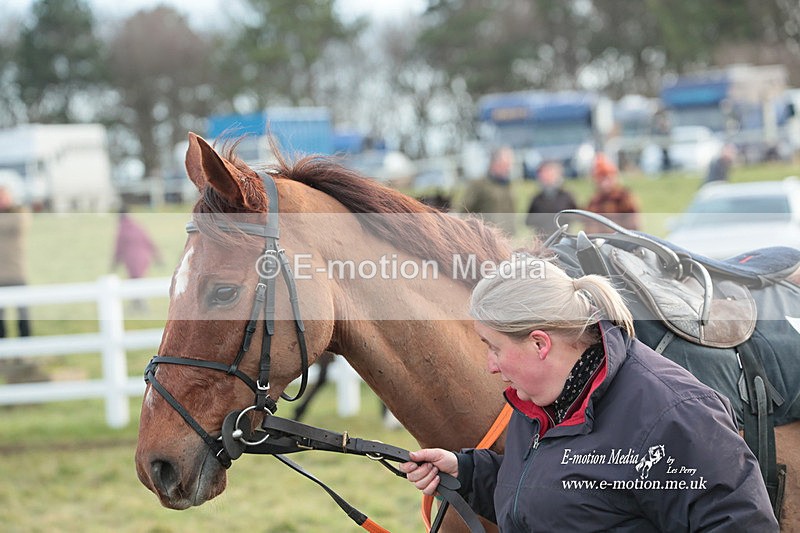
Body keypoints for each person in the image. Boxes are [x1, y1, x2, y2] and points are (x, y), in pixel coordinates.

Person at [400, 255, 778, 531]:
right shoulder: (541, 405)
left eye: (494, 347)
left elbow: (740, 524)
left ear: (539, 343)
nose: (490, 365)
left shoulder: (676, 415)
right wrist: (467, 472)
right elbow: (556, 491)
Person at [111, 205, 161, 310]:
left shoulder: (122, 229)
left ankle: (141, 306)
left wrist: (114, 264)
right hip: (144, 258)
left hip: (131, 259)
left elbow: (118, 247)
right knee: (139, 281)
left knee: (134, 282)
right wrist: (157, 257)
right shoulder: (137, 225)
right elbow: (149, 241)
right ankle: (138, 305)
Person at [460, 146, 517, 236]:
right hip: (486, 237)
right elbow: (464, 210)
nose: (508, 168)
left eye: (509, 165)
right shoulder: (479, 185)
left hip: (506, 237)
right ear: (494, 163)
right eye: (505, 164)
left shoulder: (508, 185)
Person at [0, 184, 31, 339]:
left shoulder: (18, 214)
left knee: (23, 315)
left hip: (16, 273)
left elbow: (18, 222)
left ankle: (25, 352)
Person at [584, 153, 641, 233]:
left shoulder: (623, 197)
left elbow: (634, 226)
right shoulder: (594, 201)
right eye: (600, 178)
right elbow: (589, 228)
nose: (604, 182)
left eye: (607, 177)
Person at [524, 161, 577, 237]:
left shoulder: (566, 196)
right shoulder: (536, 199)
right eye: (543, 174)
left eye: (549, 174)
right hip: (543, 241)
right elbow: (528, 221)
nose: (546, 177)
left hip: (563, 239)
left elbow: (576, 216)